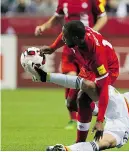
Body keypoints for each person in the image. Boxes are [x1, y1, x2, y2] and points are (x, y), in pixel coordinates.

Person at [34, 20, 119, 142]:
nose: (63, 38)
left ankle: (80, 142)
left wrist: (99, 121)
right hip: (88, 67)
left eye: (65, 36)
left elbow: (104, 86)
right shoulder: (77, 36)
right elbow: (65, 33)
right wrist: (52, 48)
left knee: (82, 99)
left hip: (108, 69)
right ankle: (101, 112)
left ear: (75, 38)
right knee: (71, 103)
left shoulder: (96, 55)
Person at [34, 0, 108, 131]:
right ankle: (73, 118)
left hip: (86, 48)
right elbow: (57, 18)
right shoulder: (63, 1)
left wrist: (91, 32)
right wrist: (43, 27)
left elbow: (103, 17)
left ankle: (98, 115)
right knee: (71, 80)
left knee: (84, 86)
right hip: (69, 48)